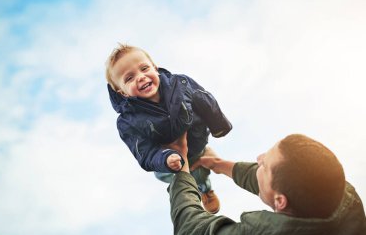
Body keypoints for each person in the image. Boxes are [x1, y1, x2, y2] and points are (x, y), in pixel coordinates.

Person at [105, 44, 232, 213]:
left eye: (144, 68)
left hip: (195, 139)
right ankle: (194, 191)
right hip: (167, 158)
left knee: (200, 171)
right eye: (129, 78)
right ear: (123, 92)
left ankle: (205, 187)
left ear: (155, 68)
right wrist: (165, 158)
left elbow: (205, 100)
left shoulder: (181, 83)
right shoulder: (128, 122)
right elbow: (143, 151)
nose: (141, 77)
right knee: (175, 177)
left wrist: (219, 126)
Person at [167, 133, 366, 235]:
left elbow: (191, 228)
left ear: (280, 202)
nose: (259, 158)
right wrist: (219, 165)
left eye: (265, 165)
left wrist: (182, 171)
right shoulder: (340, 194)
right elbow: (279, 181)